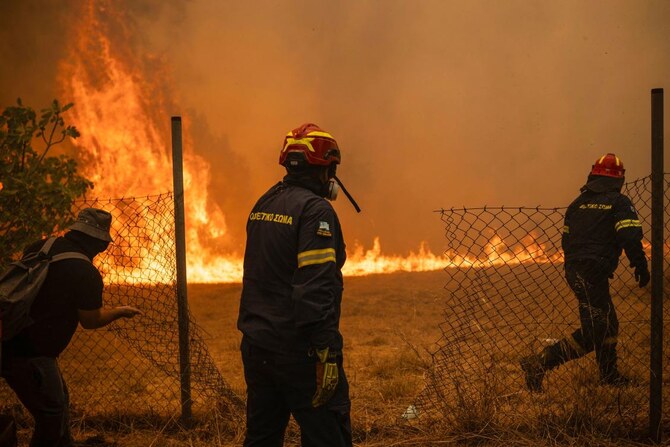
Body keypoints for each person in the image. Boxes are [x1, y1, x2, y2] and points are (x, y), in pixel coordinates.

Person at [237, 123, 352, 446]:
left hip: (258, 346)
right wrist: (325, 354)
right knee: (327, 436)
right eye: (332, 168)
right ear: (324, 167)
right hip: (299, 351)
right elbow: (314, 288)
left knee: (262, 437)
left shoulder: (265, 203)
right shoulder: (316, 212)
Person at [1, 208, 141, 446]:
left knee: (59, 400)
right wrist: (120, 311)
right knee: (52, 413)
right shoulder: (85, 273)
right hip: (31, 353)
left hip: (8, 336)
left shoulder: (40, 247)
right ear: (99, 242)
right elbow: (91, 320)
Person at [520, 153, 650, 392]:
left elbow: (566, 242)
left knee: (608, 325)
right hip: (593, 272)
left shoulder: (577, 204)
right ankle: (539, 363)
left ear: (593, 175)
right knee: (595, 331)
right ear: (619, 180)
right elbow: (629, 236)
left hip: (576, 270)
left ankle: (609, 376)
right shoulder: (619, 203)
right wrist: (639, 264)